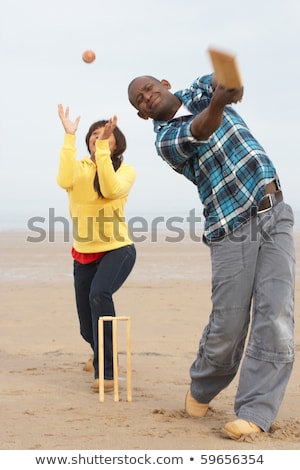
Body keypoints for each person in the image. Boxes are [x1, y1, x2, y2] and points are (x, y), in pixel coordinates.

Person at [128, 73, 295, 439]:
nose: (147, 97)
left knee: (276, 314)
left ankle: (254, 411)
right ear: (142, 115)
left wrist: (229, 87)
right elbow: (203, 128)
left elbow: (230, 85)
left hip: (274, 209)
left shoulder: (201, 89)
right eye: (139, 100)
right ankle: (202, 386)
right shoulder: (166, 139)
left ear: (165, 83)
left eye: (149, 88)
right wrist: (220, 101)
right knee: (228, 325)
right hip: (229, 227)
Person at [57, 105, 136, 393]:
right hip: (84, 252)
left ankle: (107, 372)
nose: (97, 137)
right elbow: (63, 180)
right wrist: (69, 137)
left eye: (105, 135)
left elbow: (110, 188)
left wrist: (103, 150)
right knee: (86, 327)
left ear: (116, 143)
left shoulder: (125, 171)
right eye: (94, 134)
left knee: (99, 295)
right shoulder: (78, 168)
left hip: (118, 248)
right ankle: (98, 350)